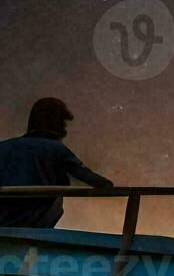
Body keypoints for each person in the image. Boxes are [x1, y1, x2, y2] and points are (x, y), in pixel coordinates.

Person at [0, 98, 114, 228]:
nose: (65, 126)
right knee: (56, 196)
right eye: (63, 122)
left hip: (3, 220)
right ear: (56, 124)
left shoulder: (3, 147)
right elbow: (89, 178)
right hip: (35, 221)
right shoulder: (56, 149)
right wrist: (108, 185)